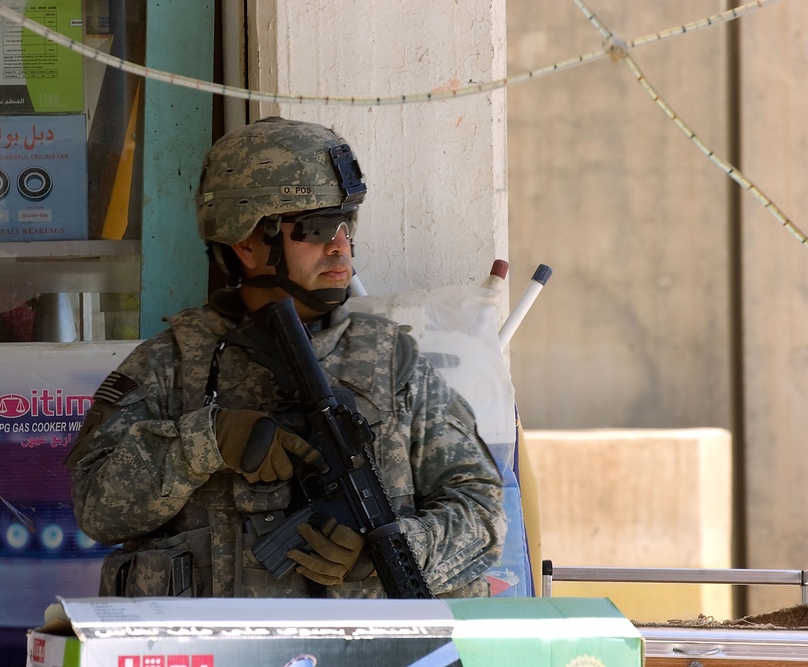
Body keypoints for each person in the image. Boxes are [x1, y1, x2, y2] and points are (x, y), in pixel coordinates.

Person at [65, 116, 505, 598]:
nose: (340, 249)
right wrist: (204, 442)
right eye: (316, 230)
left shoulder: (392, 364)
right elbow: (96, 510)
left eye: (346, 224)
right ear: (247, 245)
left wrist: (386, 552)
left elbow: (481, 512)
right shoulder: (170, 367)